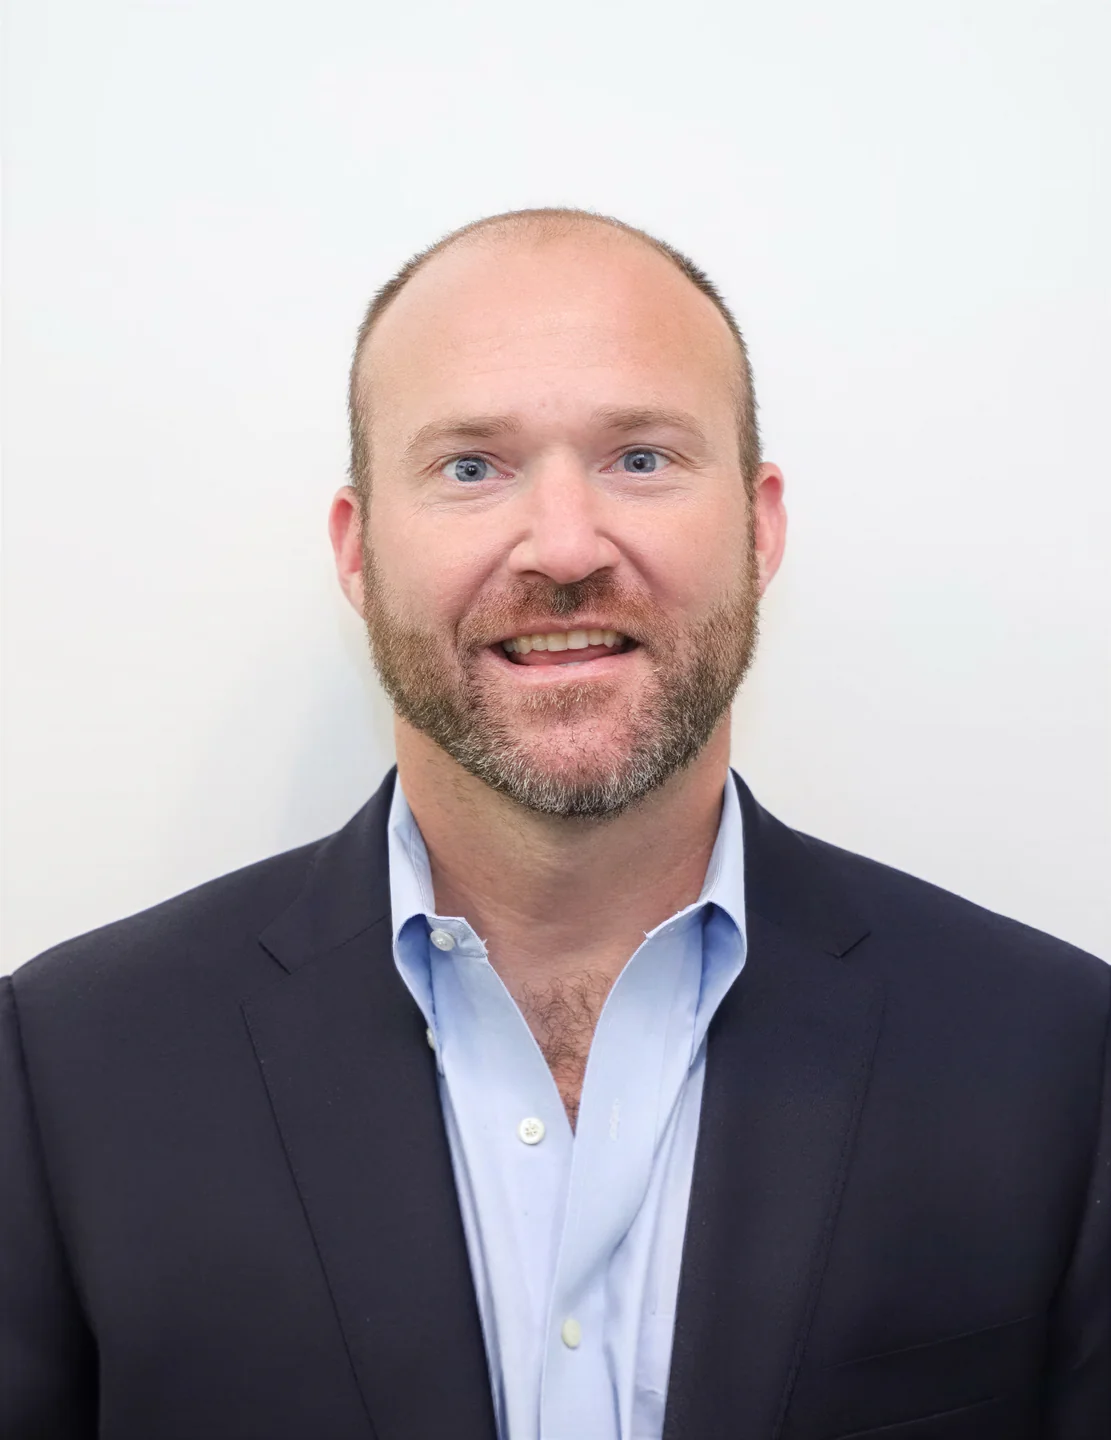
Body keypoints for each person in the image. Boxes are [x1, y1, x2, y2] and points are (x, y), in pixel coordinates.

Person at [1, 207, 1107, 1440]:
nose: (567, 546)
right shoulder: (63, 1069)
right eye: (470, 467)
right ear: (359, 553)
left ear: (759, 524)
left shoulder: (1059, 1057)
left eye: (640, 457)